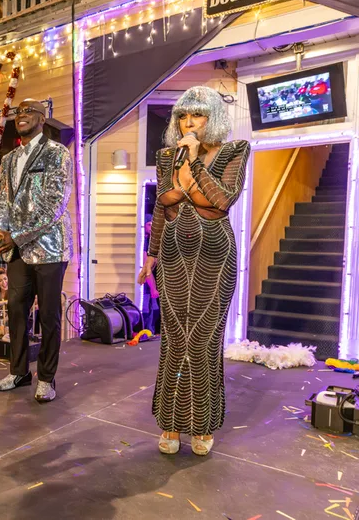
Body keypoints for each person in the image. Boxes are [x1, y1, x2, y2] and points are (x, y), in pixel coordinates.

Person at [137, 86, 249, 456]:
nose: (189, 122)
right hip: (172, 255)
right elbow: (161, 207)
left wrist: (196, 161)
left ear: (213, 117)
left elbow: (223, 199)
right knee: (173, 342)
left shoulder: (235, 150)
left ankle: (202, 425)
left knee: (202, 342)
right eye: (183, 116)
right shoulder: (166, 156)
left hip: (214, 257)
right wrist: (151, 255)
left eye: (197, 114)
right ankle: (169, 423)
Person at [0, 98, 73, 403]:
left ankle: (47, 378)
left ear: (42, 118)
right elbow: (3, 198)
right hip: (17, 249)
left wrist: (17, 236)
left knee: (48, 315)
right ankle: (19, 372)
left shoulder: (57, 153)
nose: (21, 116)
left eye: (28, 111)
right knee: (16, 310)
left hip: (49, 248)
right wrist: (0, 232)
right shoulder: (9, 158)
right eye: (18, 112)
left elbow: (55, 203)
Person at [141, 214, 159, 334]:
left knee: (154, 309)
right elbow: (146, 267)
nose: (152, 227)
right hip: (145, 283)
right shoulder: (143, 242)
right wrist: (153, 288)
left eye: (153, 224)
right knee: (147, 309)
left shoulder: (151, 241)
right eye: (149, 224)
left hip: (151, 280)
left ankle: (150, 332)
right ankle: (145, 332)